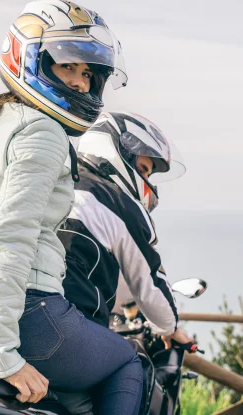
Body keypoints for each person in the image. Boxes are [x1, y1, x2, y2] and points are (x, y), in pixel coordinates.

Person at [0, 2, 143, 413]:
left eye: (88, 73)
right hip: (25, 319)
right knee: (127, 361)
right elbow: (10, 239)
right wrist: (2, 351)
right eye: (67, 67)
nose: (79, 82)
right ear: (31, 60)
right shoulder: (43, 131)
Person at [57, 111, 195, 353]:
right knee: (131, 364)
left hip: (14, 318)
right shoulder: (117, 203)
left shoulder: (58, 182)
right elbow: (148, 282)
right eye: (142, 169)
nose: (145, 182)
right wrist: (170, 328)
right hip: (69, 327)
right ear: (117, 151)